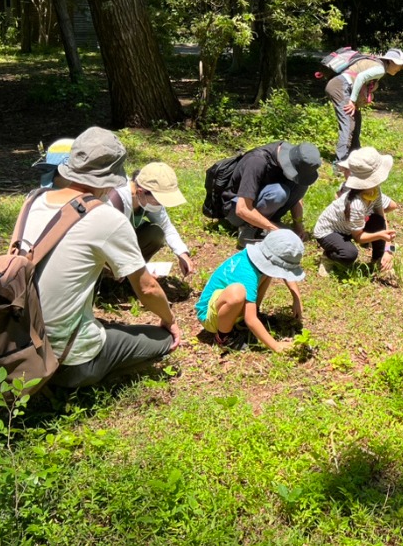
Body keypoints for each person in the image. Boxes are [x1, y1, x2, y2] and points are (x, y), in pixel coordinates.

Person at [20, 126, 181, 389]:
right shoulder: (105, 217)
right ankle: (81, 376)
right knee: (162, 339)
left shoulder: (33, 200)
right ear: (111, 177)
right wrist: (170, 320)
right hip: (66, 362)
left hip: (20, 343)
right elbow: (147, 288)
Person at [195, 229, 305, 352]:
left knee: (267, 273)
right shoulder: (247, 273)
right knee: (237, 293)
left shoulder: (258, 260)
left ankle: (243, 320)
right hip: (209, 316)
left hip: (223, 307)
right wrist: (276, 346)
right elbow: (250, 319)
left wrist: (296, 298)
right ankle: (224, 337)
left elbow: (284, 271)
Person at [313, 146, 398, 278]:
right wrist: (381, 235)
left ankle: (378, 261)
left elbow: (382, 218)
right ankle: (328, 257)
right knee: (349, 254)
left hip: (350, 228)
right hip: (329, 232)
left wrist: (388, 249)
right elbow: (359, 238)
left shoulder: (375, 191)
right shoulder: (356, 204)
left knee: (377, 221)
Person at [222, 141, 321, 247]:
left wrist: (298, 226)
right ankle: (249, 229)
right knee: (278, 193)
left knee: (301, 184)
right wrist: (276, 230)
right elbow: (242, 209)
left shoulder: (293, 158)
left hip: (262, 203)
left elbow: (297, 199)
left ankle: (264, 225)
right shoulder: (256, 162)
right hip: (237, 210)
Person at [109, 162, 194, 277]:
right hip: (103, 247)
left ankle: (130, 276)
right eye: (159, 201)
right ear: (141, 192)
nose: (160, 206)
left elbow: (166, 227)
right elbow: (105, 243)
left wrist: (182, 253)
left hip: (121, 245)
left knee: (156, 233)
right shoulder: (116, 201)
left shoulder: (146, 200)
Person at [325, 48, 403, 162]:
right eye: (399, 65)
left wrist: (355, 100)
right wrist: (352, 101)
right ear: (390, 61)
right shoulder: (380, 69)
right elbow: (360, 77)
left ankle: (355, 155)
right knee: (348, 124)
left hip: (343, 86)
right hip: (339, 86)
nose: (400, 69)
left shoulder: (378, 66)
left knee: (356, 119)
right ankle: (340, 162)